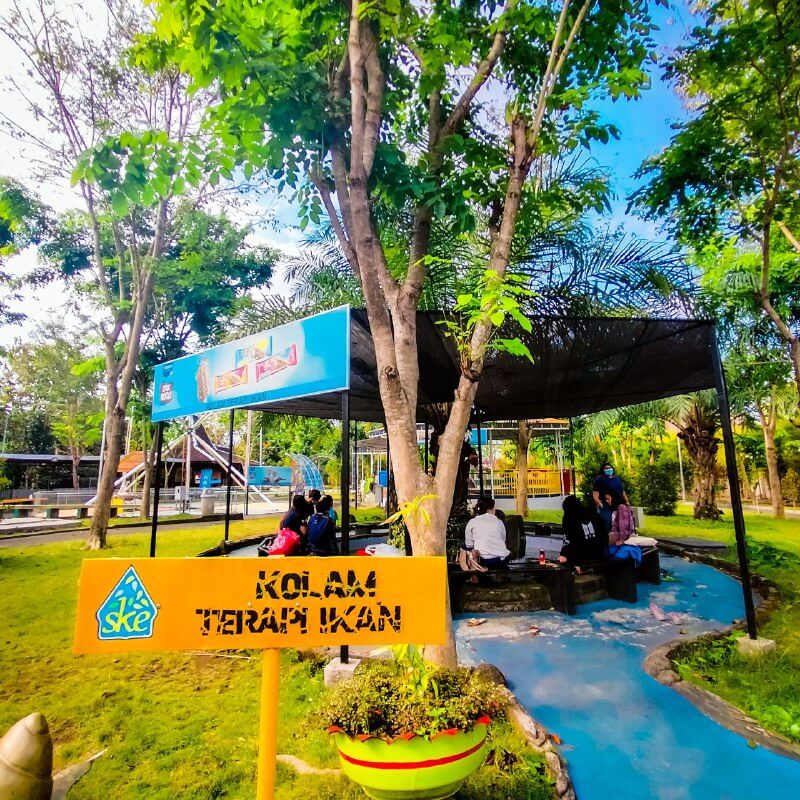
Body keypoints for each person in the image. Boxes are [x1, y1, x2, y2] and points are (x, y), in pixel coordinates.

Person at [557, 495, 606, 565]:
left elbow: (568, 539)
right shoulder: (594, 514)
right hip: (600, 555)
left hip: (581, 558)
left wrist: (564, 555)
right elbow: (604, 534)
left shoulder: (569, 519)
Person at [464, 496, 510, 569]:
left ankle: (474, 578)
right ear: (489, 510)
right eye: (494, 508)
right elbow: (503, 539)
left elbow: (469, 545)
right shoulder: (499, 522)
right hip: (501, 559)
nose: (495, 510)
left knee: (468, 550)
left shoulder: (472, 522)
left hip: (482, 561)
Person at [592, 462, 630, 532]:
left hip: (618, 503)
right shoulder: (600, 478)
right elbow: (595, 490)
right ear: (602, 470)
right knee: (606, 519)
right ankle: (603, 536)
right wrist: (596, 499)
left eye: (610, 468)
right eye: (606, 468)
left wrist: (626, 501)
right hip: (606, 503)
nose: (608, 469)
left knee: (620, 521)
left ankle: (617, 536)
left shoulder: (617, 478)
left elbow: (622, 491)